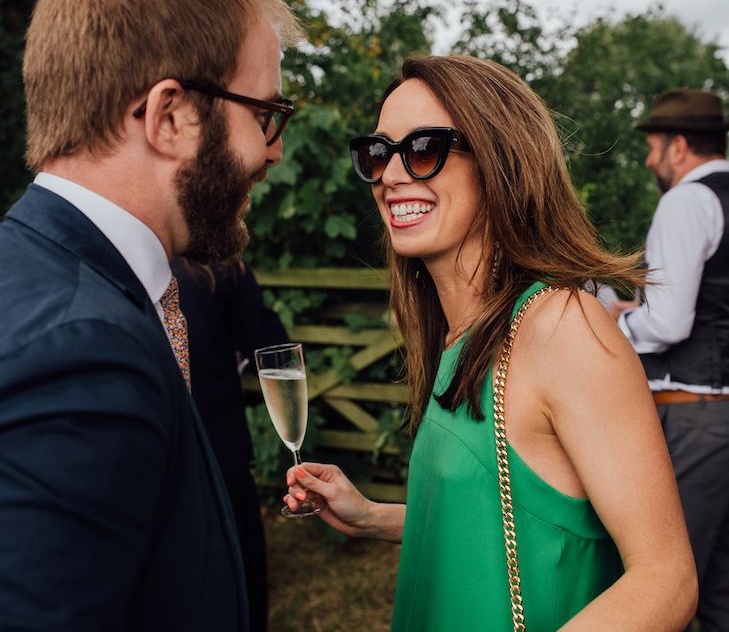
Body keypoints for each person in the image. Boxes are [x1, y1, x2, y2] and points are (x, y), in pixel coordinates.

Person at [284, 56, 697, 630]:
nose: (392, 176)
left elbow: (666, 579)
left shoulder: (560, 326)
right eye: (378, 154)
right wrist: (372, 516)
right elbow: (510, 517)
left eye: (423, 149)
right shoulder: (460, 333)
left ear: (501, 162)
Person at [0, 0, 299, 630]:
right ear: (170, 116)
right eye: (266, 115)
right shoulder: (79, 352)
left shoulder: (42, 273)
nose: (272, 153)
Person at [610, 89, 729, 631]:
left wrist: (615, 322)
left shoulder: (686, 201)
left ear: (678, 145)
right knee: (719, 587)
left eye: (653, 146)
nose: (648, 160)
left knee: (663, 589)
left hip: (694, 417)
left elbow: (668, 324)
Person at [173, 256, 289, 632]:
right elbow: (270, 348)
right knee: (240, 583)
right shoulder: (218, 265)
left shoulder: (112, 266)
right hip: (220, 456)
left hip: (158, 461)